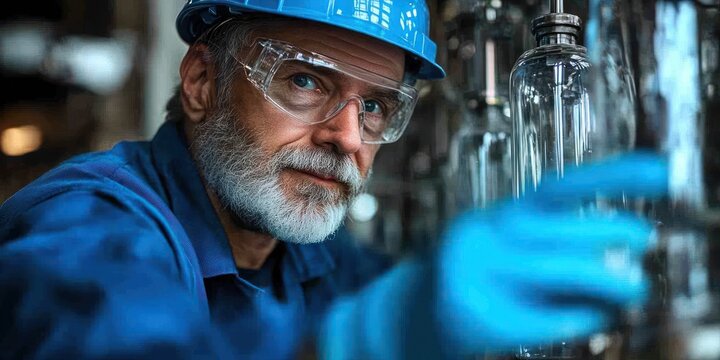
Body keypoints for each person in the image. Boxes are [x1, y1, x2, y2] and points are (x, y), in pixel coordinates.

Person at [0, 0, 668, 359]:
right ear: (203, 81)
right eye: (304, 80)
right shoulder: (89, 231)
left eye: (374, 106)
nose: (347, 137)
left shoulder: (312, 259)